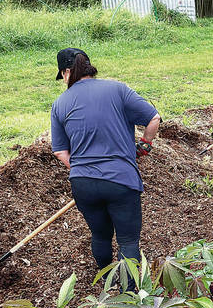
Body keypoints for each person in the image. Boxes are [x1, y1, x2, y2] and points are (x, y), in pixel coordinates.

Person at [50, 47, 160, 283]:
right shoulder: (117, 89)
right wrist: (145, 145)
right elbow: (153, 118)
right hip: (121, 180)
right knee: (128, 241)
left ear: (67, 72)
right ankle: (127, 296)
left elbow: (60, 151)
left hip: (83, 184)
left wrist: (82, 170)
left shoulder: (60, 104)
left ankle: (106, 280)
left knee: (100, 235)